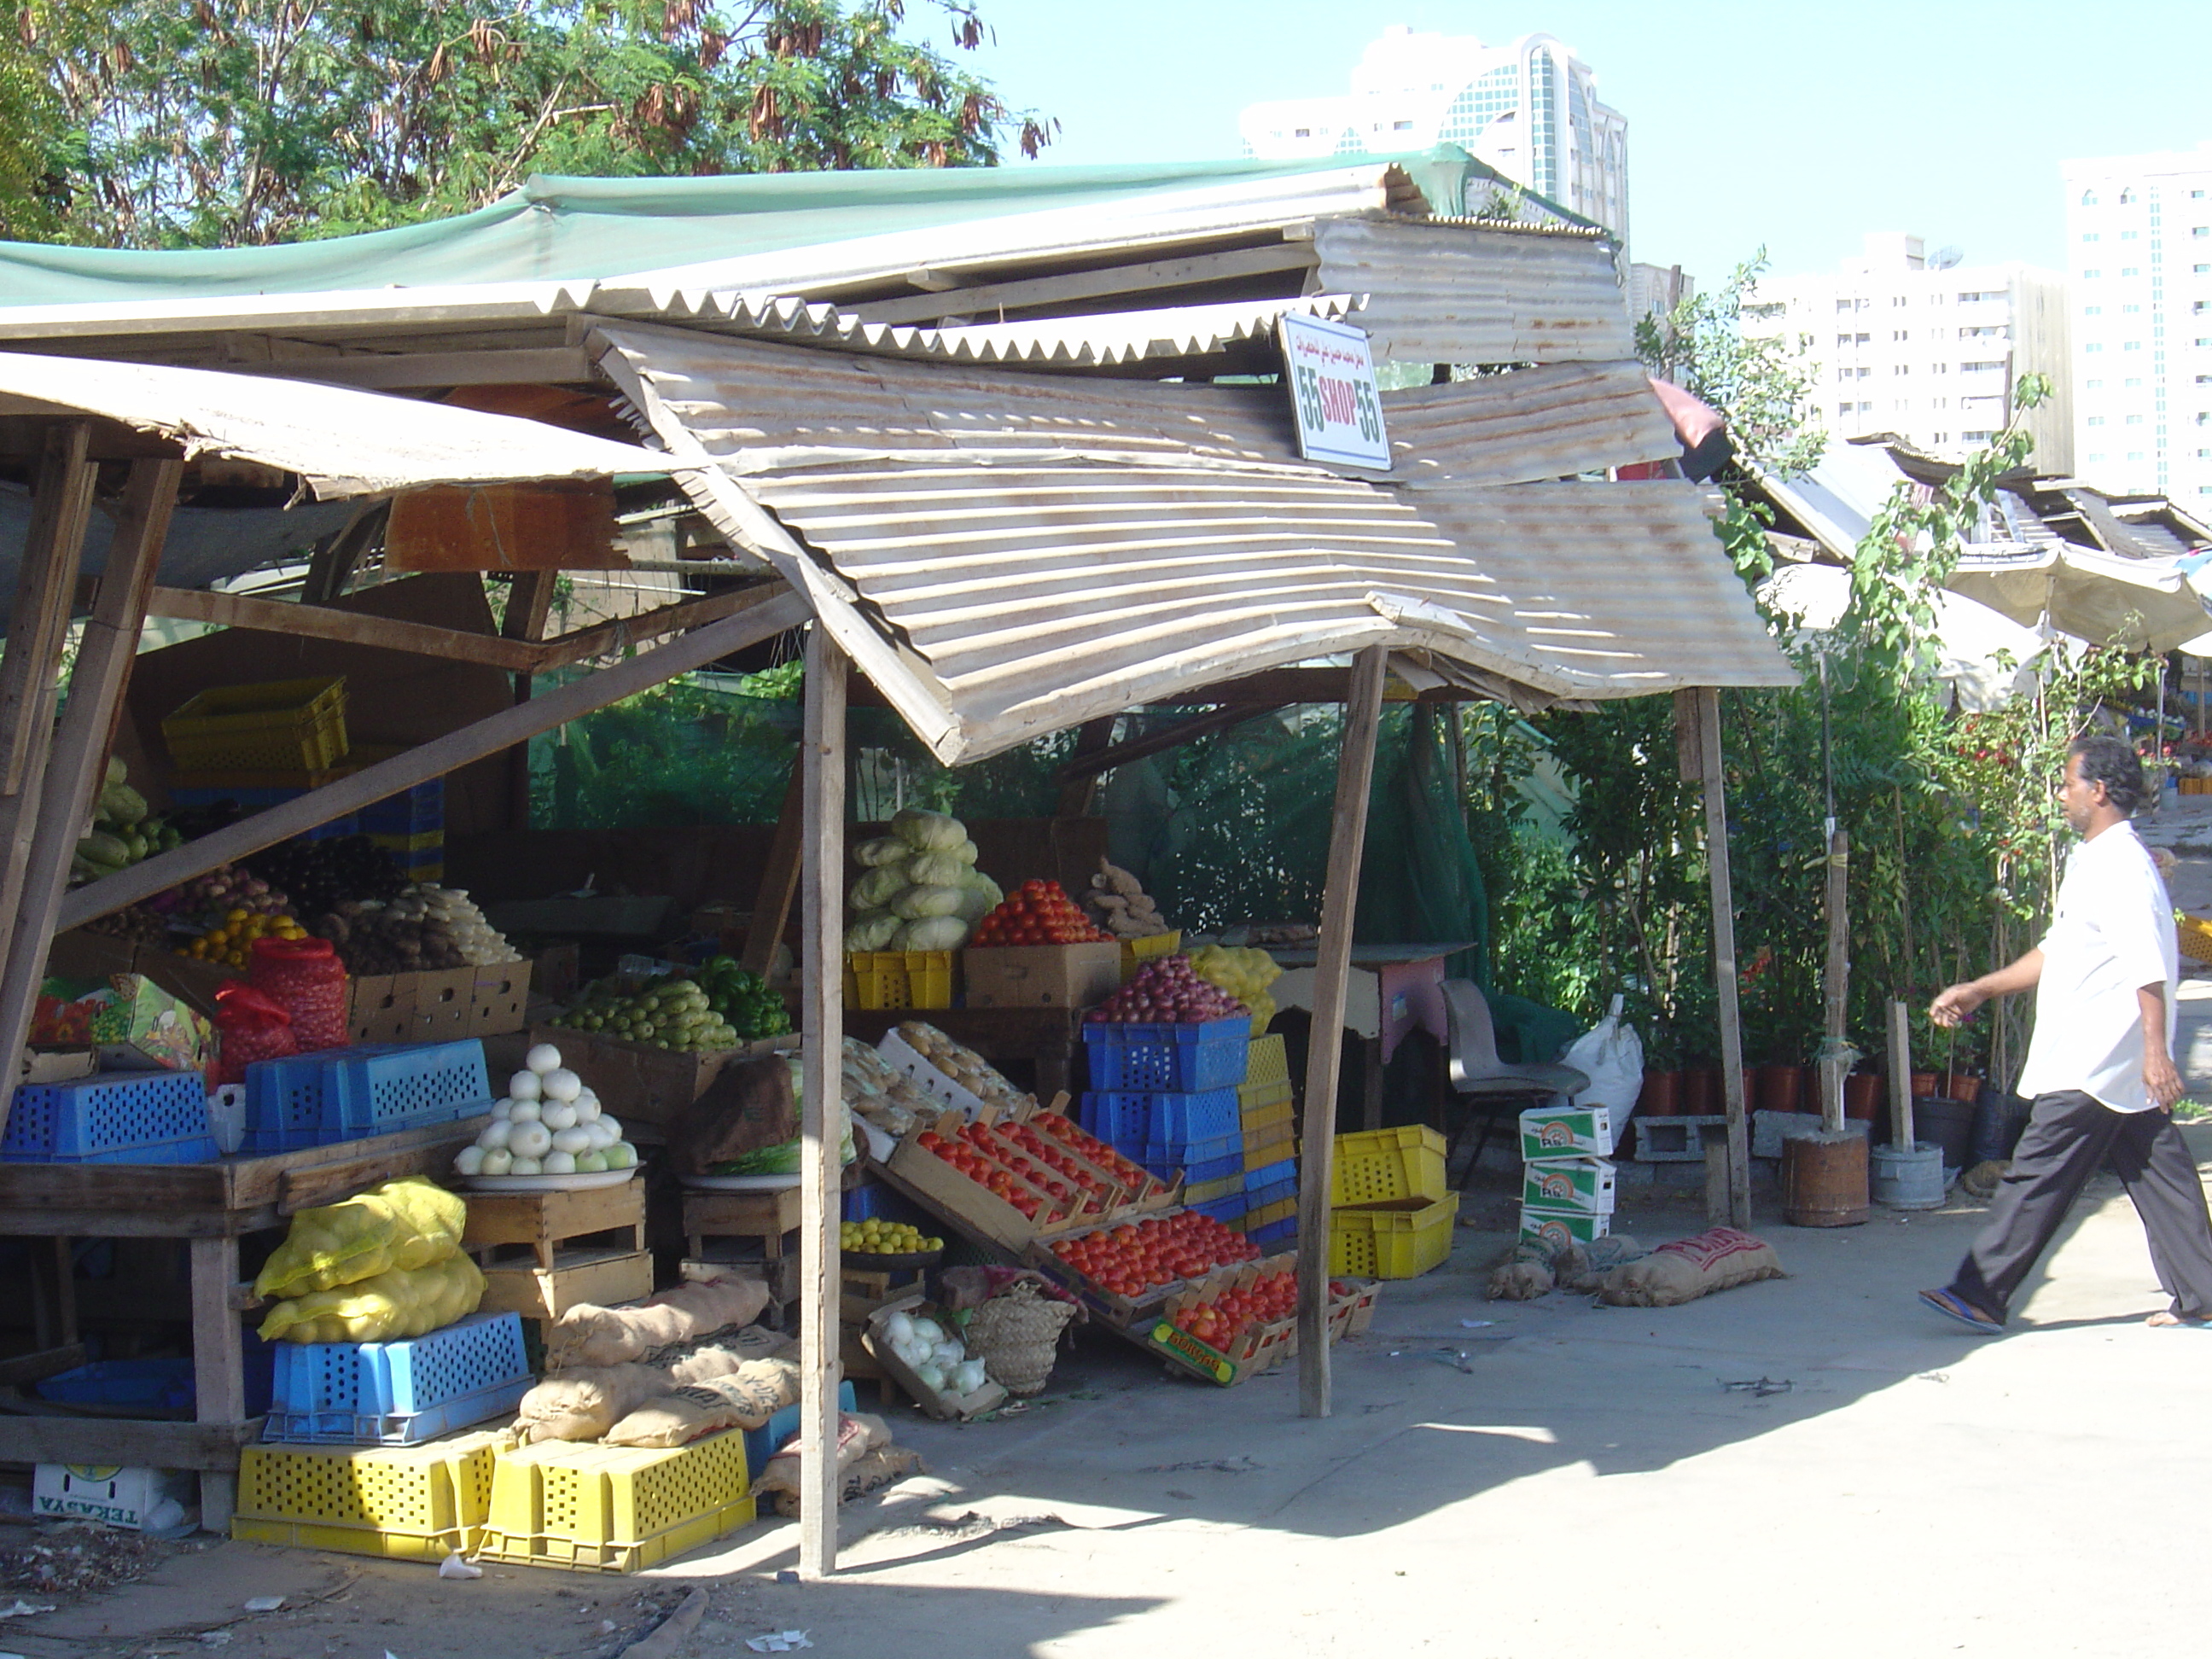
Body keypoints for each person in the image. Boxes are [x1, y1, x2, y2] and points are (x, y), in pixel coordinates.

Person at [1918, 733, 2212, 1333]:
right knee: (2160, 1171)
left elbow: (2148, 965)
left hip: (2098, 1053)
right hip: (2110, 1058)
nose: (2061, 794)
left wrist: (2156, 1053)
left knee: (2038, 1170)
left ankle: (1980, 1291)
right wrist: (1982, 988)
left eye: (2068, 783)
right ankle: (2204, 1292)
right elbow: (2059, 951)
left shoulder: (2123, 867)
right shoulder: (2098, 861)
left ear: (2098, 791)